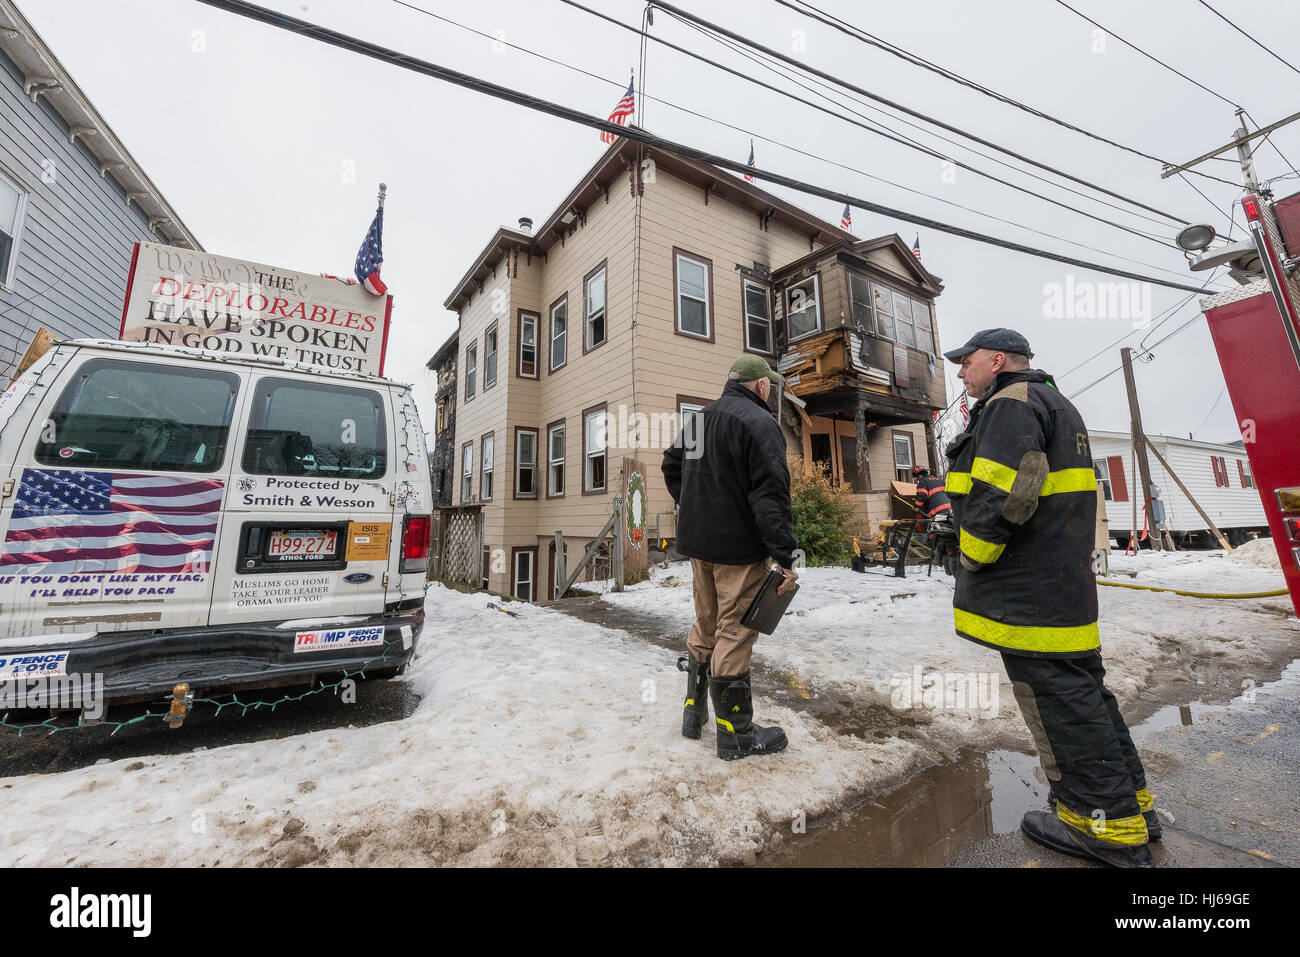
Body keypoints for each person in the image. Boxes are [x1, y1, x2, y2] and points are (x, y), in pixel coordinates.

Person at [942, 328, 1158, 868]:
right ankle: (1130, 809)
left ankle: (1101, 828)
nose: (960, 374)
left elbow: (1006, 491)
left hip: (1028, 592)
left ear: (996, 361)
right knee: (1085, 695)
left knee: (1059, 705)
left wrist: (971, 556)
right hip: (1058, 587)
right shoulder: (1052, 401)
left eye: (966, 363)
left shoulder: (1011, 404)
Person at [662, 355, 799, 761]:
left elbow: (671, 465)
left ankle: (693, 714)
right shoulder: (760, 424)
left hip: (698, 544)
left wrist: (692, 506)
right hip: (738, 550)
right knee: (735, 631)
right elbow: (770, 496)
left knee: (706, 624)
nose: (771, 390)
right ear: (760, 386)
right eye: (770, 385)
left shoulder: (700, 420)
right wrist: (787, 555)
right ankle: (736, 734)